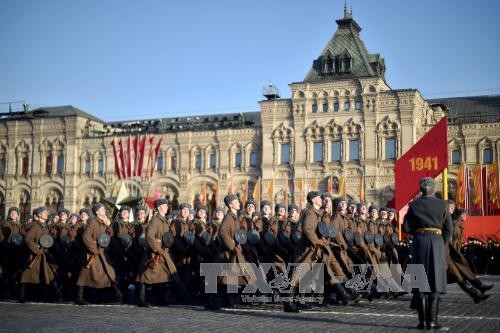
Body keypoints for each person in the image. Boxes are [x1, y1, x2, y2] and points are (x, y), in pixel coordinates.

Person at [404, 177, 453, 330]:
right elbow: (449, 229)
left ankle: (421, 322)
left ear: (421, 188)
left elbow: (406, 227)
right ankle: (432, 321)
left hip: (419, 243)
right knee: (435, 281)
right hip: (437, 242)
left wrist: (418, 234)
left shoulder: (413, 205)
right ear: (434, 188)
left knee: (419, 282)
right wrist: (440, 243)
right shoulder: (443, 204)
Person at [75, 203, 122, 305]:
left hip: (101, 252)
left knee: (107, 273)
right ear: (97, 212)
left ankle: (115, 296)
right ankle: (79, 297)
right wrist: (94, 249)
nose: (104, 210)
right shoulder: (93, 222)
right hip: (93, 253)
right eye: (102, 209)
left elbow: (109, 236)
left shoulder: (102, 222)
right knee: (85, 275)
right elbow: (86, 237)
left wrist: (108, 225)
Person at [447, 208, 493, 303]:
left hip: (453, 255)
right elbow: (450, 241)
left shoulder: (457, 224)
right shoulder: (454, 224)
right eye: (463, 215)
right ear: (460, 215)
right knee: (460, 274)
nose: (465, 217)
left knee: (461, 275)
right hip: (451, 255)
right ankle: (479, 289)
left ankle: (478, 291)